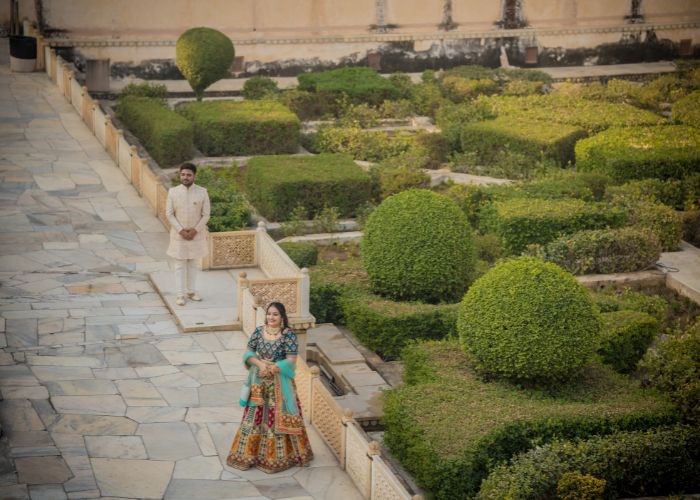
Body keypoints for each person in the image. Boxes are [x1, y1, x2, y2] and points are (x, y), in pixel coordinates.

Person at [226, 302, 314, 473]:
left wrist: (273, 368)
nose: (271, 317)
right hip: (259, 380)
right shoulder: (259, 331)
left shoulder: (288, 335)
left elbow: (292, 359)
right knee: (255, 416)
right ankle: (249, 455)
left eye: (275, 314)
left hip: (280, 382)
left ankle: (282, 457)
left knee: (279, 417)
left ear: (282, 317)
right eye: (269, 314)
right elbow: (248, 353)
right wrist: (260, 365)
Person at [166, 163, 210, 306]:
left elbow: (206, 215)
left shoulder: (202, 192)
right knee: (179, 265)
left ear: (194, 176)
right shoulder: (173, 192)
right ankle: (180, 295)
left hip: (196, 235)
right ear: (180, 175)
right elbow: (170, 214)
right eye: (183, 174)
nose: (185, 177)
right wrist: (181, 230)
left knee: (193, 264)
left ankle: (191, 291)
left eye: (188, 175)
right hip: (179, 235)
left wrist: (194, 230)